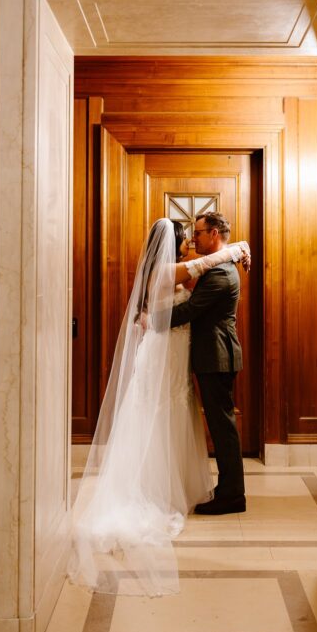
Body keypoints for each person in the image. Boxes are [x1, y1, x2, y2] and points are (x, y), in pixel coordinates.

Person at [69, 217, 250, 596]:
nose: (190, 243)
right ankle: (164, 486)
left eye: (197, 235)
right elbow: (186, 294)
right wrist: (237, 248)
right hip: (166, 351)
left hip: (184, 353)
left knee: (189, 416)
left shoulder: (198, 271)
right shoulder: (170, 269)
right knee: (161, 413)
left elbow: (194, 288)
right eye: (188, 237)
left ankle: (226, 491)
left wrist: (236, 249)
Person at [170, 211, 246, 516]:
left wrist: (154, 318)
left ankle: (232, 495)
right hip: (212, 356)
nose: (194, 238)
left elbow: (190, 311)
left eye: (199, 232)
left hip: (217, 356)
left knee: (222, 427)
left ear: (214, 234)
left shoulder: (221, 273)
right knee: (219, 424)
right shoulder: (220, 267)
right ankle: (228, 488)